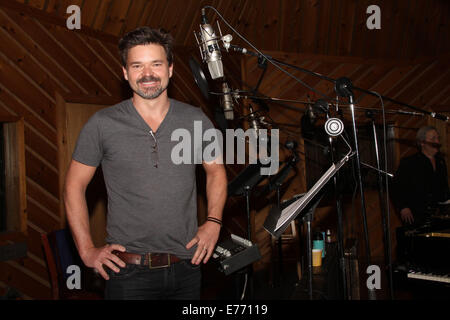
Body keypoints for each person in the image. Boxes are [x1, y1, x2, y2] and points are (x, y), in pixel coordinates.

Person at [64, 27, 227, 300]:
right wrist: (86, 250)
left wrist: (213, 222)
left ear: (170, 69)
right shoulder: (102, 125)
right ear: (125, 72)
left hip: (187, 267)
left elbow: (215, 171)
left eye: (156, 64)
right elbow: (73, 187)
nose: (148, 74)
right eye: (137, 65)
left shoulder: (196, 120)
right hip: (128, 274)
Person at [391, 126, 449, 228]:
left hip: (436, 214)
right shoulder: (409, 163)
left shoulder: (440, 161)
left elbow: (443, 186)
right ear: (422, 143)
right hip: (415, 214)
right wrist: (403, 207)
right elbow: (397, 187)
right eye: (433, 139)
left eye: (437, 138)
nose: (437, 141)